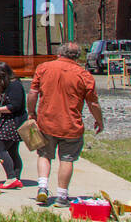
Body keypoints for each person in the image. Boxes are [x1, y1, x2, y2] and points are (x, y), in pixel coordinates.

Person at [28, 42, 104, 207]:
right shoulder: (84, 74)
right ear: (77, 57)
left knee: (44, 155)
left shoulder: (44, 68)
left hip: (46, 121)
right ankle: (62, 196)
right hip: (71, 124)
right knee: (67, 159)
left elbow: (33, 93)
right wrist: (99, 120)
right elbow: (93, 103)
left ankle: (42, 187)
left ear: (59, 53)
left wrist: (31, 112)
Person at [0, 61, 27, 189]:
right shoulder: (10, 85)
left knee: (0, 148)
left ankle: (11, 177)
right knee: (12, 150)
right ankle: (16, 177)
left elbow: (13, 106)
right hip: (12, 120)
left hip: (13, 121)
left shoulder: (15, 85)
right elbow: (8, 101)